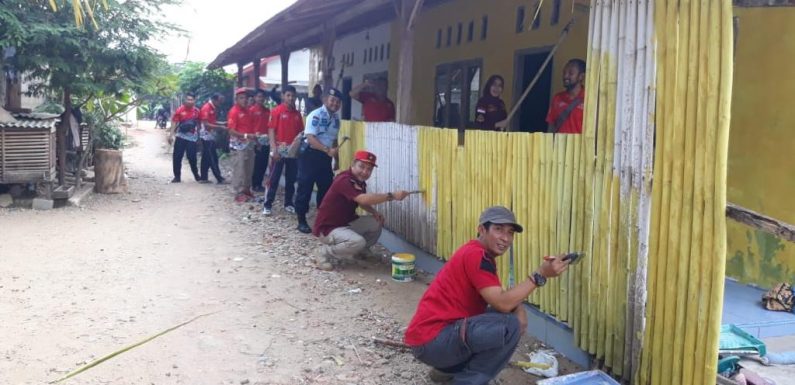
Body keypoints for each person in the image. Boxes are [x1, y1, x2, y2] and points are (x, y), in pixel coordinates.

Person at [404, 206, 570, 384]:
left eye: (510, 232)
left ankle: (449, 371)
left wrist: (518, 308)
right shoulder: (477, 256)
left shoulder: (475, 252)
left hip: (430, 340)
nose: (505, 238)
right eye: (498, 229)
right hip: (432, 342)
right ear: (481, 230)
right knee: (509, 325)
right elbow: (502, 303)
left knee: (504, 317)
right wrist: (540, 275)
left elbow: (499, 297)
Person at [311, 150, 410, 270]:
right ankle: (323, 252)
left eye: (369, 169)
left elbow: (359, 201)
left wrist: (374, 212)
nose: (364, 172)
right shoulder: (344, 180)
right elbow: (363, 199)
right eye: (361, 166)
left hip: (345, 223)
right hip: (328, 228)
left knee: (376, 221)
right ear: (353, 164)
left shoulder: (358, 182)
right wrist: (392, 196)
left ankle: (361, 252)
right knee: (358, 242)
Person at [294, 87, 344, 234]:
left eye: (338, 102)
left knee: (326, 188)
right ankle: (301, 220)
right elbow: (310, 138)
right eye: (333, 100)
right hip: (310, 155)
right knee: (305, 187)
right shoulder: (315, 115)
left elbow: (334, 140)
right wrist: (328, 151)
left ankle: (322, 219)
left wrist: (337, 159)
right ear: (325, 100)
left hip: (324, 158)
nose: (335, 104)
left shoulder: (336, 119)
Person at [263, 85, 303, 215]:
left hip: (292, 150)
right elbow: (271, 131)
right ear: (283, 96)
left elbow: (300, 134)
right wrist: (274, 149)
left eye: (293, 96)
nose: (291, 98)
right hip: (280, 148)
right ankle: (267, 205)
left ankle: (288, 203)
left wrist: (298, 150)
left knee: (291, 179)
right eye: (288, 95)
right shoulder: (276, 111)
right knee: (274, 178)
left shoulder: (297, 114)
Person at [227, 88, 257, 202]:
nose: (244, 100)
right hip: (237, 145)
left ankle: (246, 189)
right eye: (241, 98)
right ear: (236, 99)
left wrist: (254, 138)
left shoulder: (249, 111)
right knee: (239, 168)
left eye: (246, 98)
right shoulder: (234, 111)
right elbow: (231, 131)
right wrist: (246, 135)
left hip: (249, 144)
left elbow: (251, 127)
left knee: (249, 168)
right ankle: (238, 192)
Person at [546, 59, 586, 134]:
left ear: (581, 76)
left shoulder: (589, 99)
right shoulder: (557, 98)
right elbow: (551, 126)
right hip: (559, 145)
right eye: (564, 72)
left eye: (570, 73)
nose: (565, 76)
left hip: (579, 145)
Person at [169, 93, 201, 183]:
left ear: (194, 101)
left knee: (192, 157)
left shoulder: (197, 111)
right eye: (188, 99)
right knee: (177, 157)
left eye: (192, 99)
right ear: (185, 100)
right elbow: (174, 122)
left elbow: (199, 124)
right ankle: (177, 176)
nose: (190, 101)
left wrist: (199, 136)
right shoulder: (180, 110)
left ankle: (196, 175)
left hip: (192, 138)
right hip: (181, 136)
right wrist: (171, 135)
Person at [198, 93, 227, 184]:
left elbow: (212, 121)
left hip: (209, 135)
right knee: (212, 157)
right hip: (206, 136)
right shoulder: (206, 108)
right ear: (214, 100)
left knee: (206, 157)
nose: (221, 103)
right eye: (220, 101)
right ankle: (219, 178)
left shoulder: (212, 108)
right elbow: (206, 124)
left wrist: (222, 123)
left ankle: (203, 177)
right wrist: (220, 127)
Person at [250, 89, 271, 193]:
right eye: (258, 96)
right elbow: (249, 127)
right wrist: (255, 140)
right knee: (256, 163)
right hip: (255, 140)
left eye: (262, 96)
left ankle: (259, 183)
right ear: (255, 98)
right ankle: (254, 184)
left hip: (266, 139)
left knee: (263, 163)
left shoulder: (267, 111)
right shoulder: (251, 110)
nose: (261, 98)